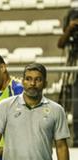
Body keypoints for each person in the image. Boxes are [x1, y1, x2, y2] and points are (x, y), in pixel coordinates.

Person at [57, 5, 78, 147]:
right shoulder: (70, 32)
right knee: (76, 108)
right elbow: (60, 44)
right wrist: (70, 28)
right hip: (75, 73)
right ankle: (77, 139)